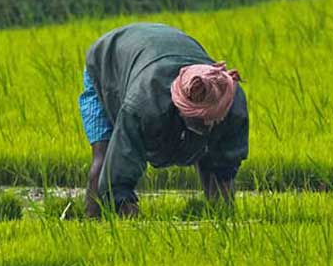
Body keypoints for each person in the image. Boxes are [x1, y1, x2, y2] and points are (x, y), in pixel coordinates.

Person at [78, 23, 249, 218]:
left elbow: (225, 167)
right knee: (104, 158)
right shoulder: (144, 104)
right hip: (109, 62)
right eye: (199, 120)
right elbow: (117, 177)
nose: (207, 125)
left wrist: (224, 218)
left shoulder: (231, 99)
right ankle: (92, 223)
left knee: (213, 160)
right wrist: (133, 228)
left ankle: (221, 220)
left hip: (160, 53)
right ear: (180, 106)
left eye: (212, 119)